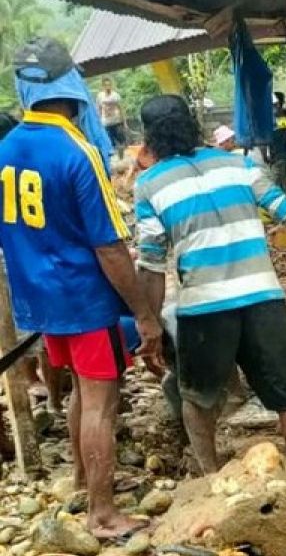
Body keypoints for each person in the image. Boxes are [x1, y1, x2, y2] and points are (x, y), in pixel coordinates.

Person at [134, 95, 286, 520]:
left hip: (204, 309)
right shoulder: (236, 164)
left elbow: (151, 263)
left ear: (149, 138)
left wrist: (151, 324)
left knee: (197, 402)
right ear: (193, 124)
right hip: (263, 300)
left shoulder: (149, 185)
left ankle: (214, 484)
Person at [0, 39, 164, 540]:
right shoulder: (77, 151)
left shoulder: (5, 149)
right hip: (83, 297)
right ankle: (103, 512)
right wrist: (145, 313)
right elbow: (110, 248)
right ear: (71, 88)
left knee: (77, 391)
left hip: (40, 298)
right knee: (101, 402)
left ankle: (80, 479)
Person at [96, 77, 126, 153]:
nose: (108, 87)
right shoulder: (100, 96)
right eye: (106, 85)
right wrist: (98, 122)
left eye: (109, 85)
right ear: (103, 86)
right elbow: (99, 109)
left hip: (116, 121)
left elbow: (121, 109)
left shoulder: (115, 95)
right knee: (110, 143)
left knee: (122, 141)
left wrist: (124, 122)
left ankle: (124, 155)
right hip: (106, 122)